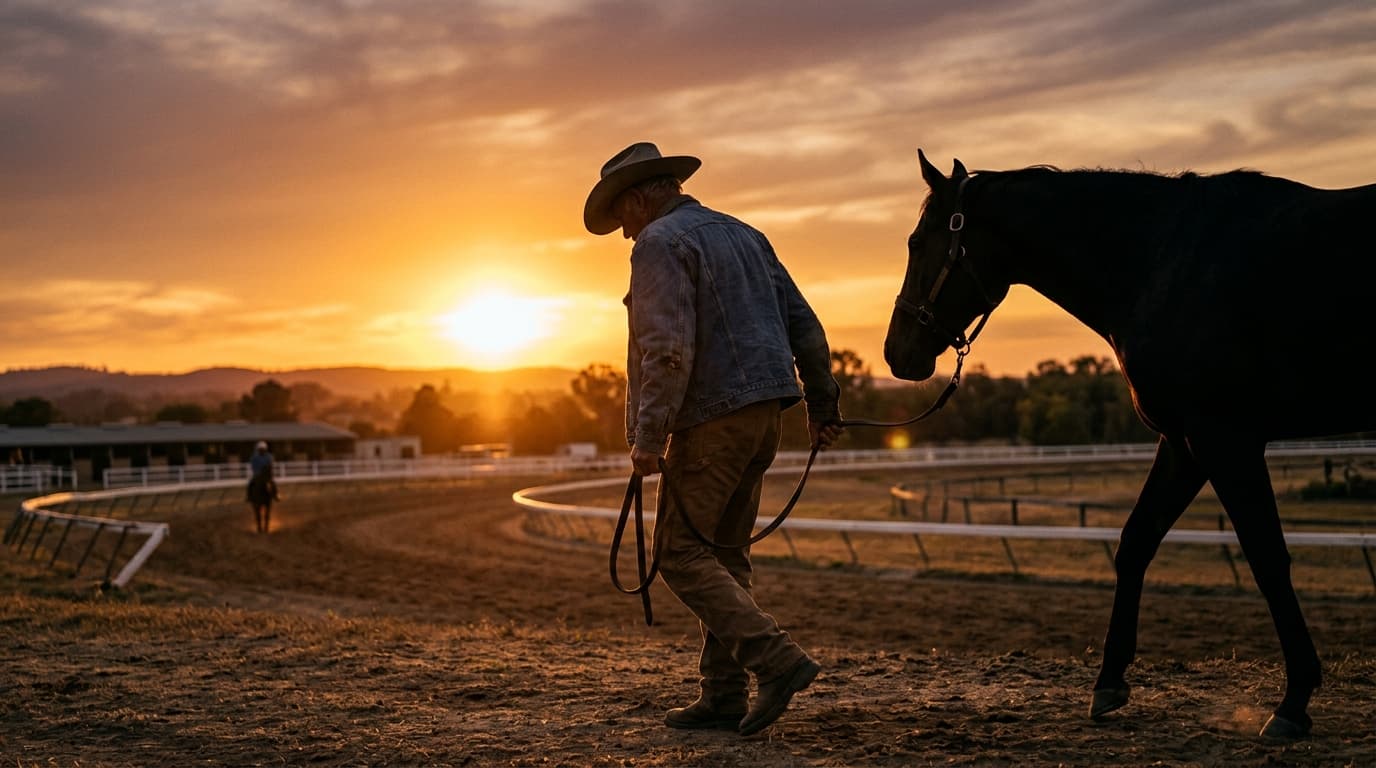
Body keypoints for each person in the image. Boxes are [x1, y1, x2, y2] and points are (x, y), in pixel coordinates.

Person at [583, 142, 845, 737]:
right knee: (725, 554)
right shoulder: (745, 234)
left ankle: (775, 661)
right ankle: (722, 695)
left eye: (621, 217)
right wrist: (824, 403)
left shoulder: (659, 244)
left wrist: (648, 436)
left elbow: (667, 349)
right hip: (765, 418)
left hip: (710, 420)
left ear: (636, 199)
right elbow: (804, 322)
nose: (624, 234)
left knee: (678, 553)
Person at [246, 440, 277, 533]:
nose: (261, 451)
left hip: (266, 475)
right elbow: (253, 466)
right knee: (250, 484)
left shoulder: (269, 457)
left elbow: (270, 465)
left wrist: (267, 471)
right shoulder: (254, 457)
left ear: (265, 449)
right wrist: (258, 472)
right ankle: (249, 496)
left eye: (263, 449)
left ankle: (275, 495)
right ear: (258, 449)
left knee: (273, 484)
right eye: (260, 449)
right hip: (257, 475)